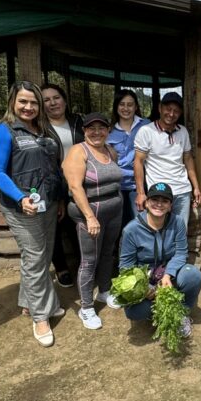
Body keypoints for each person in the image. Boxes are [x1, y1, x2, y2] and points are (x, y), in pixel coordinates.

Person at [0, 81, 65, 347]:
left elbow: (53, 167)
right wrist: (19, 197)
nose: (28, 107)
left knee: (42, 256)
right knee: (34, 257)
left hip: (49, 203)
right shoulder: (2, 131)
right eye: (23, 101)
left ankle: (28, 303)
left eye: (33, 102)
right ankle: (41, 316)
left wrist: (60, 198)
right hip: (22, 206)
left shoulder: (43, 129)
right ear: (12, 102)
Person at [118, 182, 201, 337]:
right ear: (146, 202)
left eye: (164, 201)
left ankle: (182, 313)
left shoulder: (177, 222)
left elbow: (181, 252)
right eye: (154, 199)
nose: (159, 204)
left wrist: (167, 275)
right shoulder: (131, 230)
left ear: (170, 205)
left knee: (193, 275)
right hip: (144, 278)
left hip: (167, 273)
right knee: (135, 312)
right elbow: (125, 267)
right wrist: (144, 289)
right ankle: (160, 312)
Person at [63, 112, 123, 328]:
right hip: (90, 214)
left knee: (108, 253)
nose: (96, 132)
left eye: (101, 128)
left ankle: (104, 291)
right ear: (84, 131)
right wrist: (90, 217)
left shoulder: (110, 151)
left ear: (108, 131)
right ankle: (86, 307)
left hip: (114, 210)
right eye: (91, 128)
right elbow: (74, 186)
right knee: (89, 260)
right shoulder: (78, 151)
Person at [133, 91, 201, 230]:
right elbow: (138, 162)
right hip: (159, 192)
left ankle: (178, 253)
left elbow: (188, 159)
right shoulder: (147, 131)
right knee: (157, 231)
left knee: (180, 231)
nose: (171, 114)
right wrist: (141, 193)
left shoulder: (182, 131)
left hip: (182, 190)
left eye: (176, 111)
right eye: (168, 109)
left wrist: (196, 187)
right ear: (160, 108)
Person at [41, 83, 83, 288]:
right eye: (46, 100)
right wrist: (58, 194)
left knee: (79, 224)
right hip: (55, 184)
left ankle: (84, 263)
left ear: (64, 100)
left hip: (80, 182)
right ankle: (61, 267)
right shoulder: (40, 127)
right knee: (56, 226)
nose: (52, 103)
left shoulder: (77, 122)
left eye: (56, 98)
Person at [107, 89, 147, 229]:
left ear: (136, 107)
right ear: (116, 107)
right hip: (118, 186)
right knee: (121, 226)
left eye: (130, 105)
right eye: (122, 104)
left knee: (141, 223)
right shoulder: (109, 132)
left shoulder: (146, 125)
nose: (126, 108)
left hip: (141, 185)